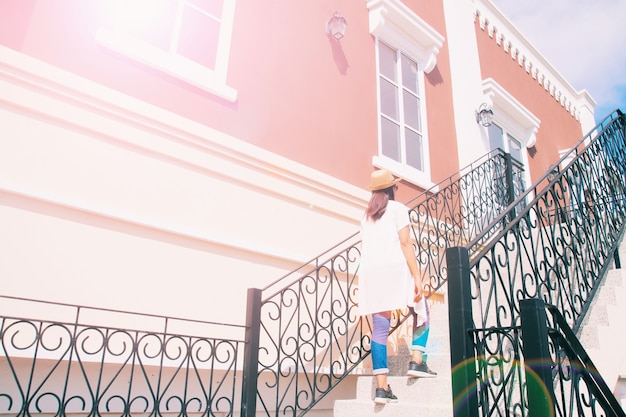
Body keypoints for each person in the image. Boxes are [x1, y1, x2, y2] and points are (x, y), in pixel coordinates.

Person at [358, 169, 437, 404]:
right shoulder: (398, 209)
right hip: (394, 269)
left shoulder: (366, 215)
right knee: (422, 309)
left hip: (371, 274)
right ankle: (417, 360)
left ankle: (381, 389)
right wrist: (417, 276)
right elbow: (405, 243)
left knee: (380, 329)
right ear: (392, 188)